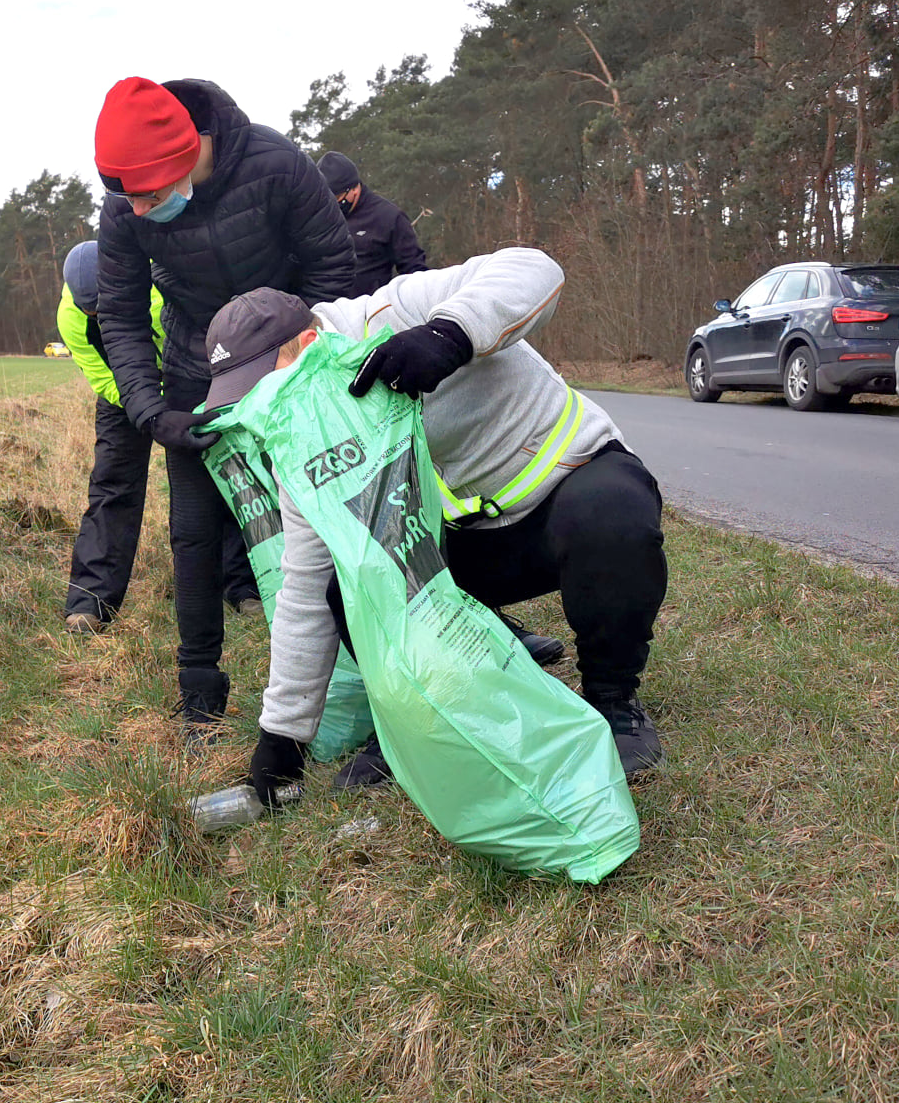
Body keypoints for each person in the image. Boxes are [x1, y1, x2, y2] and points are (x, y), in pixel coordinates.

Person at [197, 253, 667, 799]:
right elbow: (303, 588)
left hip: (561, 496)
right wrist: (283, 742)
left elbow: (536, 268)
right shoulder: (301, 433)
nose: (263, 406)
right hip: (463, 551)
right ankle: (428, 717)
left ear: (305, 346)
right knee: (344, 588)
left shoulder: (394, 311)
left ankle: (612, 700)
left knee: (611, 515)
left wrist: (449, 335)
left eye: (265, 385)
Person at [93, 76, 355, 730]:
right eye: (129, 198)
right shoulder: (127, 207)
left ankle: (365, 667)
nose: (142, 208)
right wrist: (152, 413)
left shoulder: (275, 164)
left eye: (151, 193)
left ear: (185, 155)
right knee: (194, 530)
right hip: (193, 368)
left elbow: (334, 265)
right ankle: (200, 693)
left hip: (293, 357)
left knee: (330, 513)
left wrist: (299, 351)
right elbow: (120, 318)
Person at [56, 241, 258, 632]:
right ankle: (91, 599)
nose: (97, 317)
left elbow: (196, 337)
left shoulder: (156, 285)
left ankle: (242, 586)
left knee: (223, 472)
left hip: (186, 378)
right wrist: (153, 414)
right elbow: (103, 377)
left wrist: (188, 400)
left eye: (103, 307)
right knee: (112, 487)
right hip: (123, 395)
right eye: (90, 312)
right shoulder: (70, 320)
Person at [317, 151, 426, 296]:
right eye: (326, 199)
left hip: (371, 312)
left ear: (354, 189)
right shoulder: (318, 215)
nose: (331, 205)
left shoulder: (389, 217)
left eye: (336, 198)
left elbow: (414, 270)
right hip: (322, 310)